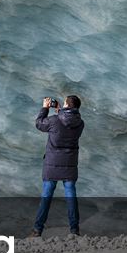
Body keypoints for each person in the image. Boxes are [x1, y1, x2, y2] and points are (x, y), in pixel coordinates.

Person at [31, 94, 85, 237]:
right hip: (70, 164)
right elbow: (67, 122)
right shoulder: (80, 123)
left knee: (46, 196)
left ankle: (37, 230)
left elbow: (39, 123)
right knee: (71, 196)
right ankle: (74, 230)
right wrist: (61, 111)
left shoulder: (54, 121)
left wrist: (45, 108)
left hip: (53, 164)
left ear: (67, 105)